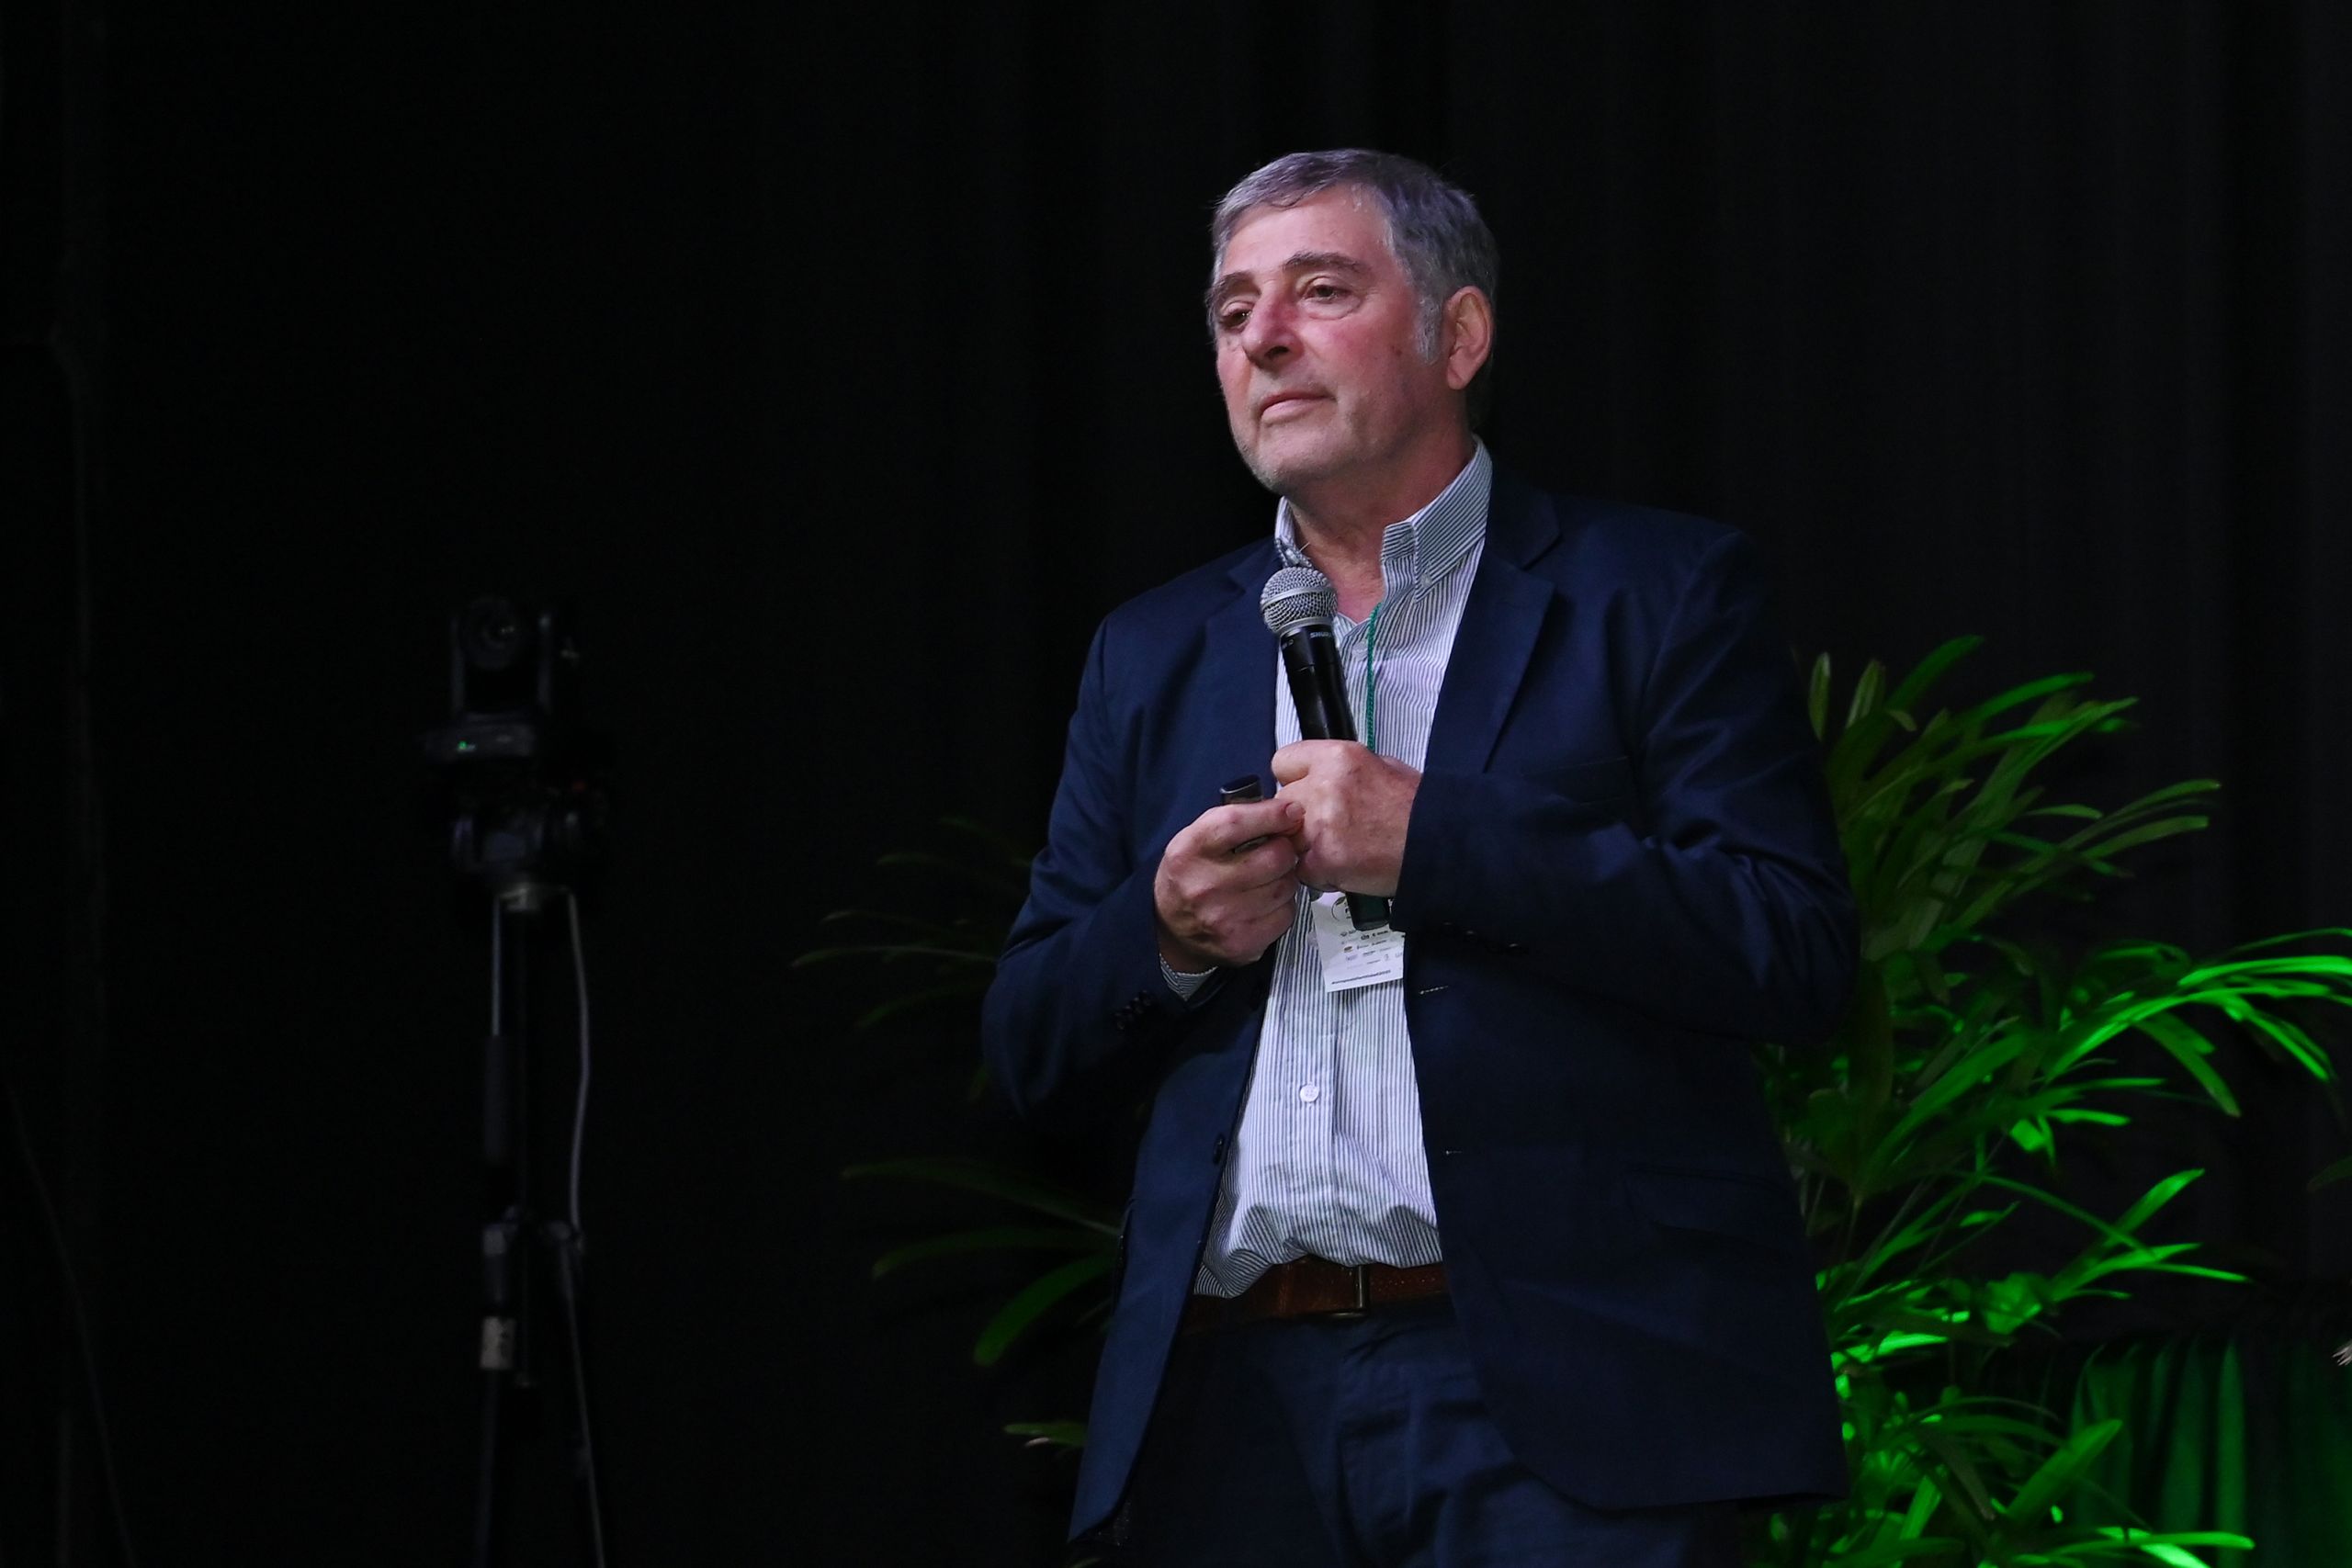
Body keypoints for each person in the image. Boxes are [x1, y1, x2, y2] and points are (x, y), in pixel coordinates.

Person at [981, 149, 1855, 1567]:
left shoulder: (1655, 593)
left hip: (1574, 1403)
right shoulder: (1152, 652)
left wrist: (1438, 840)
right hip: (1233, 1410)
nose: (1264, 337)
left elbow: (1790, 948)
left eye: (1320, 291)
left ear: (1459, 336)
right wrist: (1167, 934)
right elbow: (1027, 1047)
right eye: (1233, 312)